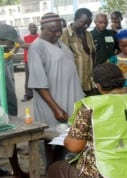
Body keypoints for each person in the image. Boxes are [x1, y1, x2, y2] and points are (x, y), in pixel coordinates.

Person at [47, 63, 127, 178]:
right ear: (123, 81)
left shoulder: (91, 106)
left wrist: (68, 139)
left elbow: (74, 147)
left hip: (106, 174)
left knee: (55, 169)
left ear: (98, 85)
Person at [28, 12, 84, 165]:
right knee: (52, 139)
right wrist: (56, 109)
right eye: (53, 31)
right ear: (43, 28)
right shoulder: (37, 47)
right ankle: (52, 170)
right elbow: (39, 83)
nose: (58, 33)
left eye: (60, 30)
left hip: (70, 99)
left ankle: (65, 169)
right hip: (53, 104)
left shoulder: (60, 44)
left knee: (70, 139)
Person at [0, 23, 28, 178]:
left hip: (8, 103)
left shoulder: (1, 52)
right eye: (10, 42)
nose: (12, 45)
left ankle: (16, 170)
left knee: (10, 139)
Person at [60, 8, 96, 96]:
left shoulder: (88, 34)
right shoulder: (65, 34)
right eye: (82, 22)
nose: (86, 26)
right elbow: (62, 59)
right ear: (75, 19)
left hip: (89, 81)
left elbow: (92, 53)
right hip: (75, 82)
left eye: (88, 23)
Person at [21, 23, 39, 102]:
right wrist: (35, 45)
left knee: (39, 77)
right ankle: (28, 95)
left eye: (35, 27)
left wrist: (29, 45)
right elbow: (22, 45)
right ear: (29, 29)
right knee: (28, 78)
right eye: (31, 27)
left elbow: (41, 46)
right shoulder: (25, 37)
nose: (33, 28)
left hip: (38, 60)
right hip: (27, 60)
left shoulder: (40, 37)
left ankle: (39, 95)